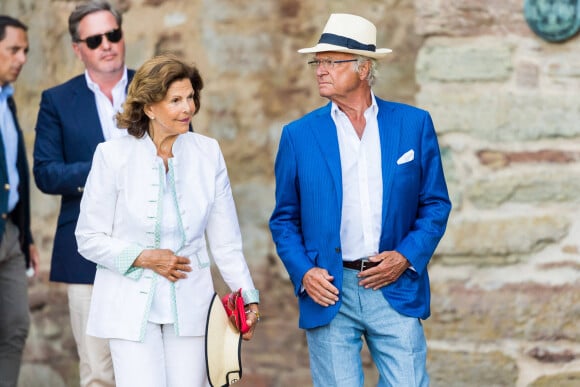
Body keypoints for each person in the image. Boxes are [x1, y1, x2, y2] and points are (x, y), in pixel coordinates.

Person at [269, 13, 452, 386]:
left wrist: (404, 258)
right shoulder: (298, 136)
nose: (320, 70)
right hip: (329, 290)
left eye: (331, 62)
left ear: (364, 69)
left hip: (394, 283)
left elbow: (435, 204)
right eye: (317, 62)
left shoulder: (413, 124)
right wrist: (304, 272)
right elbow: (284, 219)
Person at [74, 53, 260, 387]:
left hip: (191, 303)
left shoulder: (209, 153)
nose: (187, 108)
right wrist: (144, 257)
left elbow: (226, 241)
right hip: (127, 304)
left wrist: (247, 296)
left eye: (190, 98)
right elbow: (88, 238)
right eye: (175, 100)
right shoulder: (112, 156)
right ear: (148, 107)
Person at [32, 1, 134, 386]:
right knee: (97, 371)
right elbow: (45, 173)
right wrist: (105, 168)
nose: (106, 44)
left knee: (150, 369)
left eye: (113, 34)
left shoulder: (153, 89)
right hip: (85, 253)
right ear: (78, 48)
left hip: (152, 251)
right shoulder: (57, 100)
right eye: (94, 39)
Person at [0, 15, 40, 387]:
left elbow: (15, 171)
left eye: (25, 50)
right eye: (14, 49)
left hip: (11, 232)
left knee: (14, 327)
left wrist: (25, 234)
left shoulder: (7, 101)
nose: (22, 58)